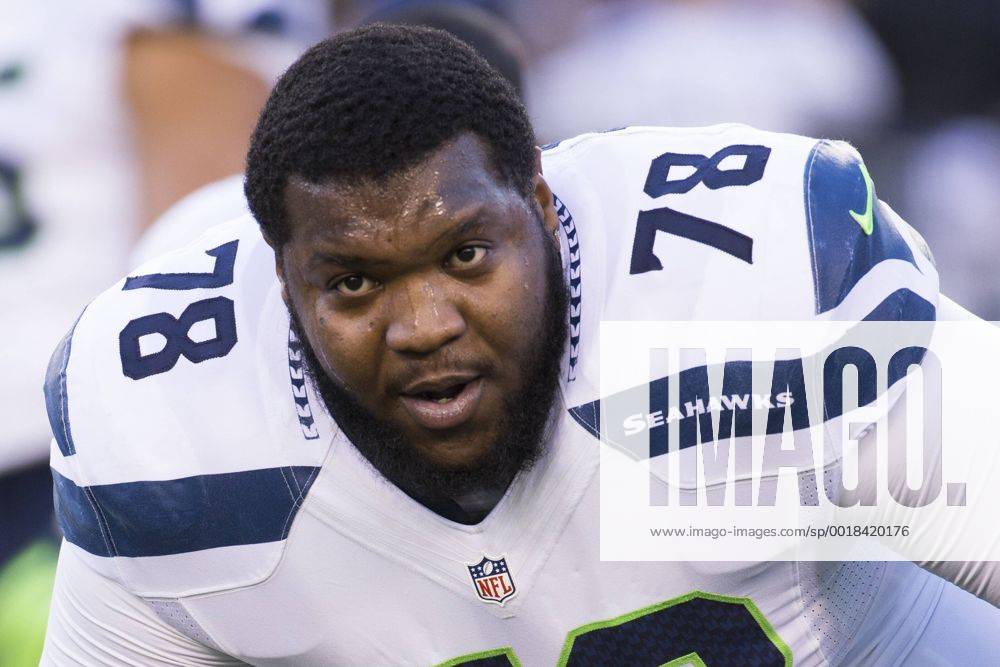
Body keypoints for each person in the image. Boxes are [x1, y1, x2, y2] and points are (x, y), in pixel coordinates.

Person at [40, 25, 999, 665]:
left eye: (464, 255)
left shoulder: (721, 319)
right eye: (355, 284)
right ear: (282, 284)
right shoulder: (193, 443)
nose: (424, 327)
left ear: (541, 208)